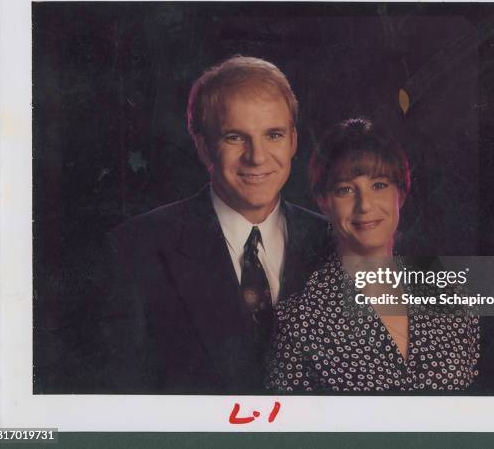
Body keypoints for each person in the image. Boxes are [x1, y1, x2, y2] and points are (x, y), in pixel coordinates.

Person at [101, 55, 330, 394]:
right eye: (235, 137)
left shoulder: (334, 241)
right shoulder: (136, 248)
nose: (257, 156)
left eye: (274, 135)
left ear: (294, 141)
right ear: (203, 146)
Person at [266, 118, 480, 392]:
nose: (364, 205)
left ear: (400, 194)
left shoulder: (453, 295)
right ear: (324, 202)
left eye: (379, 185)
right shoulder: (298, 322)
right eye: (345, 190)